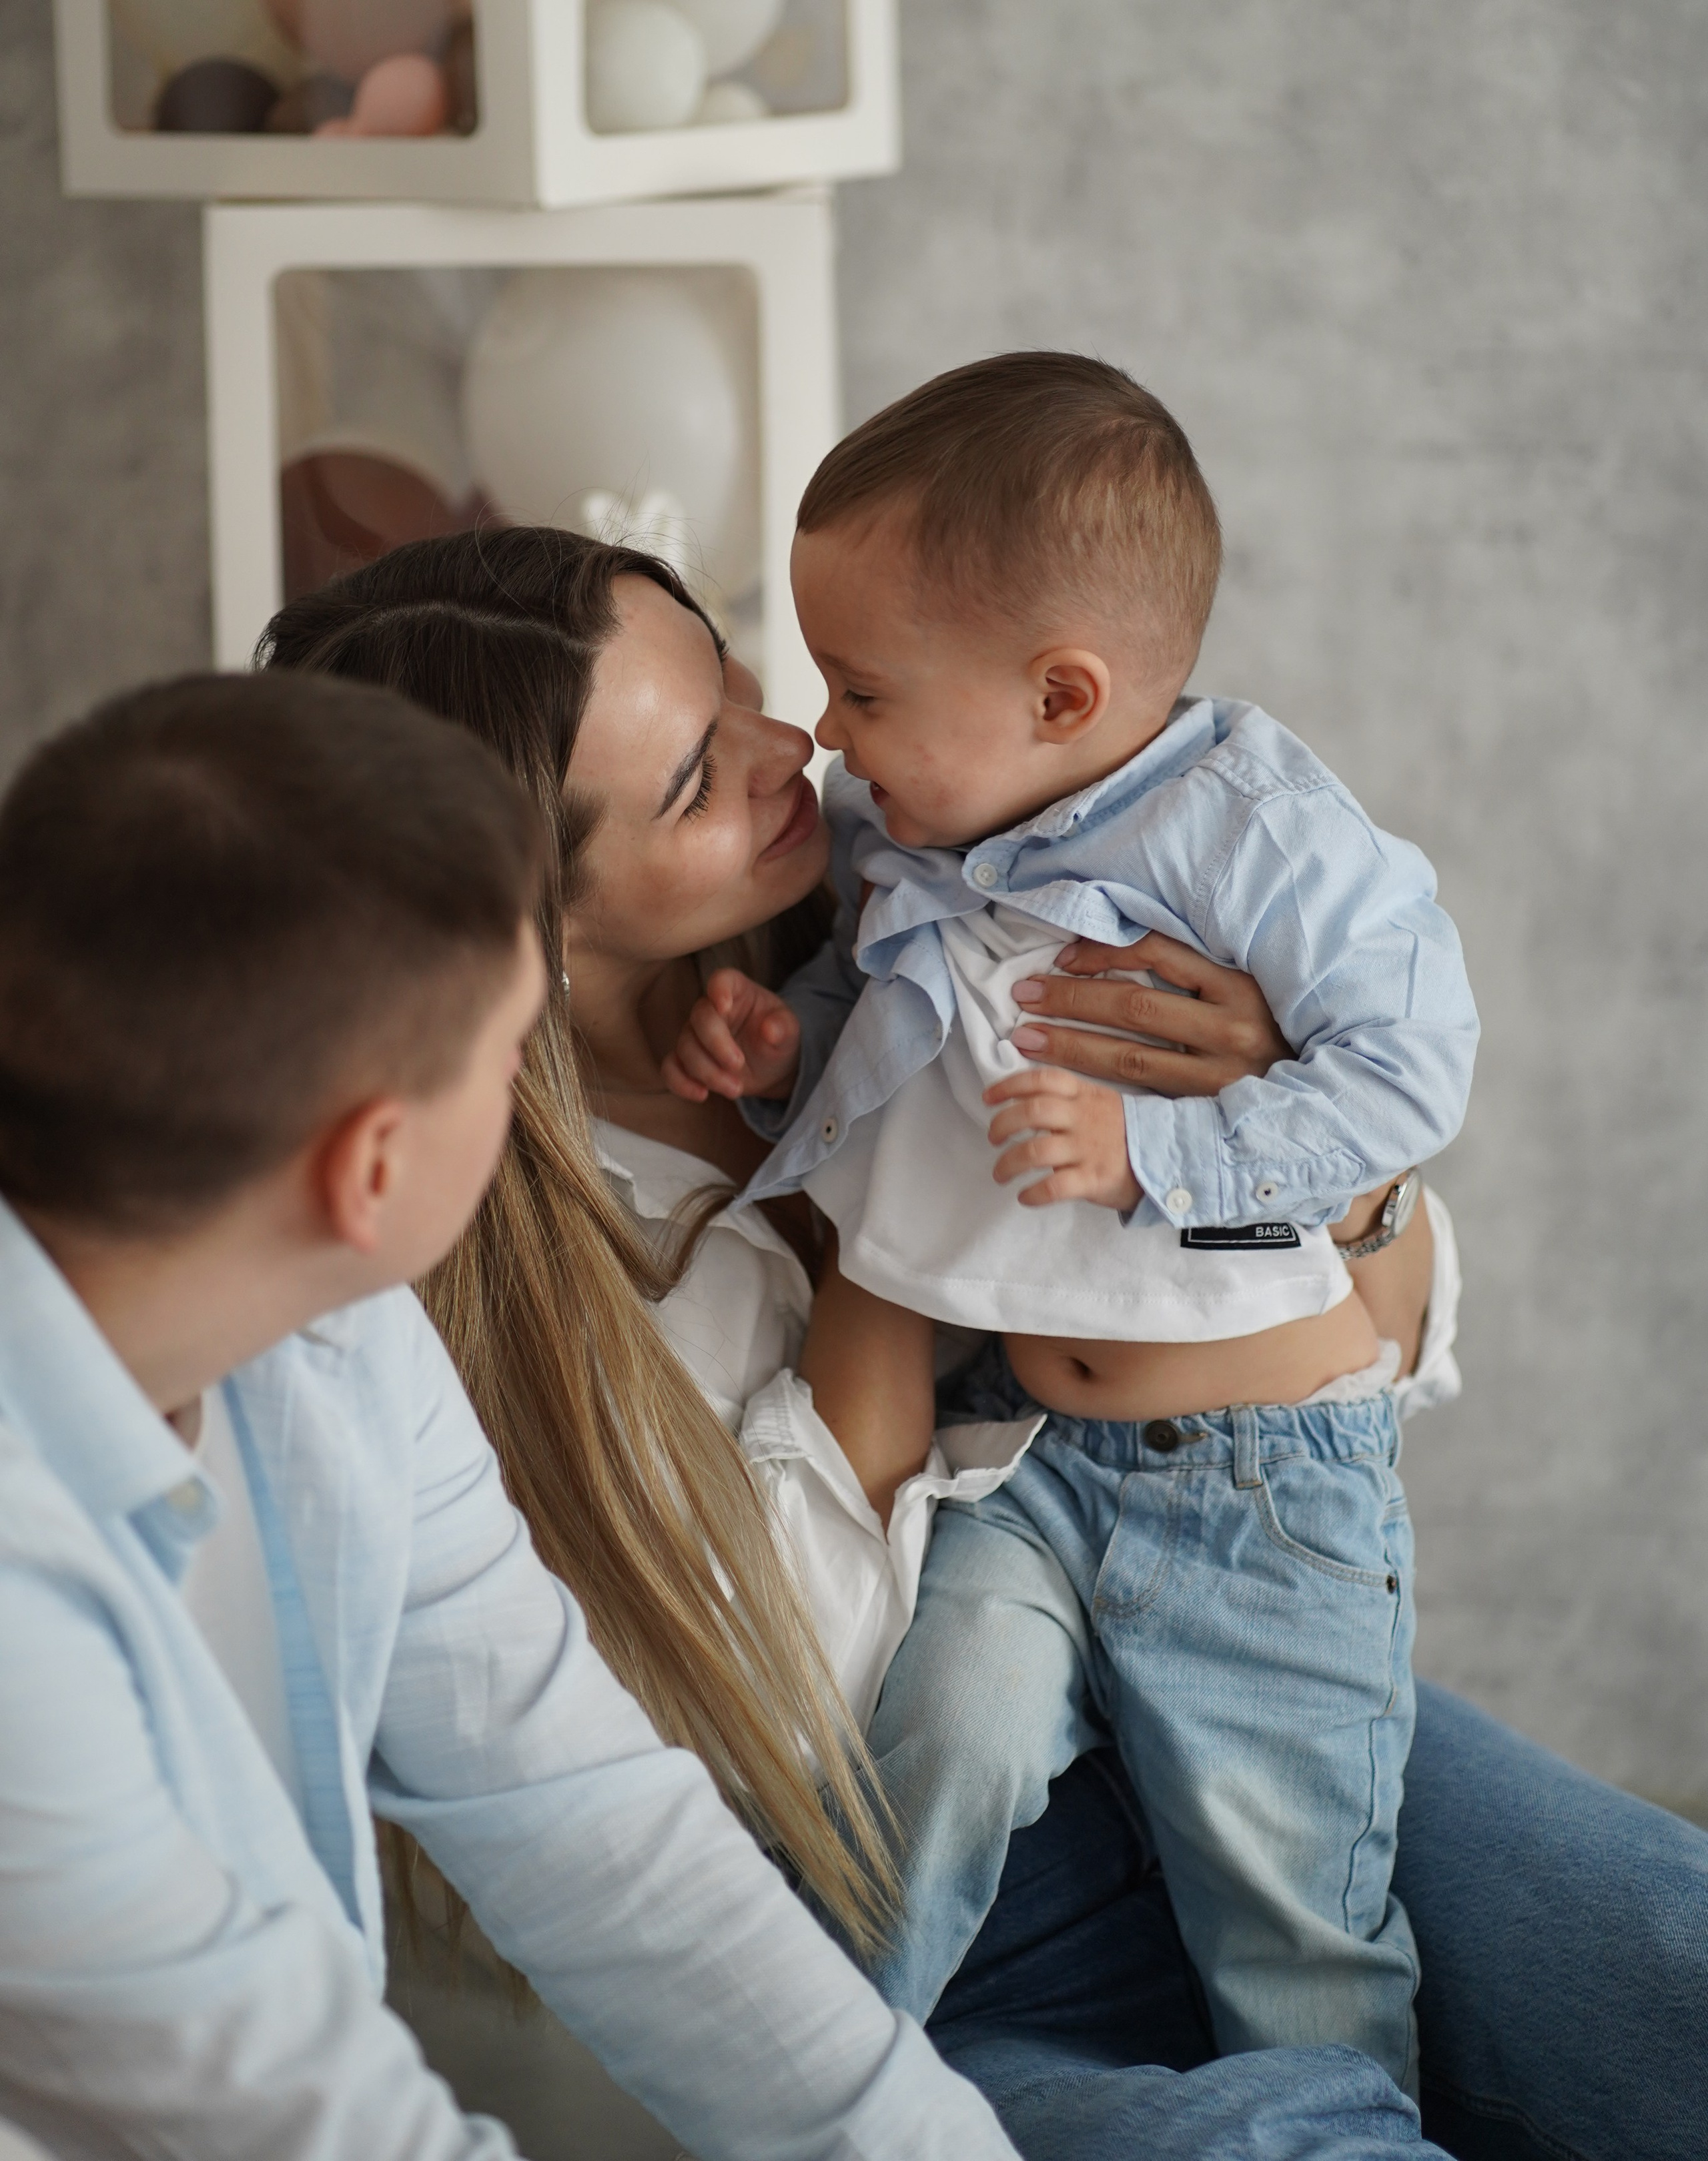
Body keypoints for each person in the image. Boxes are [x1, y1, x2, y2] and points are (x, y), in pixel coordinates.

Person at [264, 526, 1708, 2161]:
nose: (793, 741)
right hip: (956, 1913)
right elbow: (784, 1702)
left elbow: (1369, 1362)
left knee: (1672, 1965)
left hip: (1255, 1659)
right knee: (1290, 2142)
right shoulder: (492, 1285)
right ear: (527, 924)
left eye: (736, 682)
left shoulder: (926, 873)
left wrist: (1314, 1144)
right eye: (691, 783)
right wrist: (899, 1199)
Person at [0, 671, 1025, 2161]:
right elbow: (302, 2124)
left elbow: (586, 1817)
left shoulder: (334, 1336)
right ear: (369, 1171)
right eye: (504, 1063)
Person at [677, 353, 1474, 2084]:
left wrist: (1158, 1153)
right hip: (1019, 1462)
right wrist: (778, 1053)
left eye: (861, 688)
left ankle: (1337, 2120)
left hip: (1265, 1480)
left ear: (1061, 693)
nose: (823, 731)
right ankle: (827, 2092)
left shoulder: (1259, 837)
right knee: (931, 1769)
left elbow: (1412, 1077)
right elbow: (903, 1050)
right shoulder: (912, 825)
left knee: (1298, 1919)